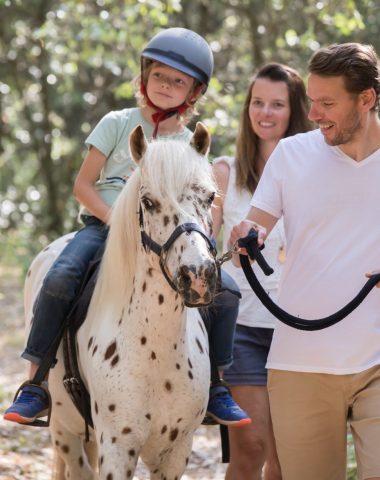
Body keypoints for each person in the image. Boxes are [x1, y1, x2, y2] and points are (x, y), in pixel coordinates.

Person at [4, 27, 250, 428]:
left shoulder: (190, 143)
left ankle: (216, 387)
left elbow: (195, 203)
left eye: (178, 81)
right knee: (61, 277)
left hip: (162, 238)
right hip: (103, 228)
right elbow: (83, 186)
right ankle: (36, 383)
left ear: (193, 93)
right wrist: (115, 220)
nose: (166, 86)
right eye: (159, 76)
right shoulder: (117, 123)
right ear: (144, 77)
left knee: (226, 291)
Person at [229, 42, 380, 480]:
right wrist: (245, 237)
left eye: (327, 103)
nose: (314, 114)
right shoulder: (291, 155)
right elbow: (252, 232)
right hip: (301, 363)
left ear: (366, 99)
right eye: (312, 101)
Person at [212, 63, 312, 480]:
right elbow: (201, 239)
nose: (264, 113)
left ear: (295, 112)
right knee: (252, 447)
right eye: (257, 103)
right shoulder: (224, 172)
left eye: (277, 104)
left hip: (300, 327)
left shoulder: (313, 171)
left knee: (287, 457)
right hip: (243, 327)